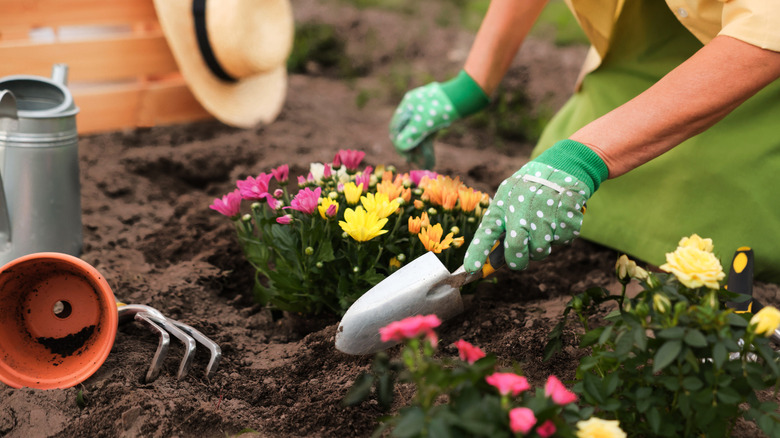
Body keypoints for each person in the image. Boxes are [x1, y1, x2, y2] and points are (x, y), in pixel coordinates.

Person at [389, 0, 780, 283]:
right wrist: (472, 83)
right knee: (556, 198)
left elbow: (766, 30)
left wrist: (587, 156)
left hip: (756, 81)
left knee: (710, 249)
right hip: (641, 47)